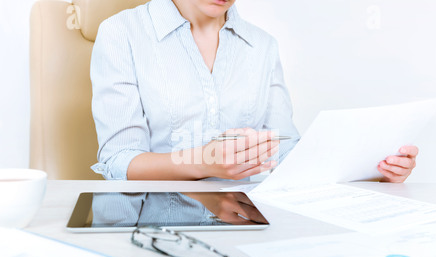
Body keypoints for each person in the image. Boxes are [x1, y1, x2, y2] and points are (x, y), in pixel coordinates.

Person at [91, 0, 418, 183]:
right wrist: (203, 161)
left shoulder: (262, 46)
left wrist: (375, 171)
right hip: (154, 220)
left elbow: (287, 155)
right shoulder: (122, 34)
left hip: (248, 217)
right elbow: (118, 161)